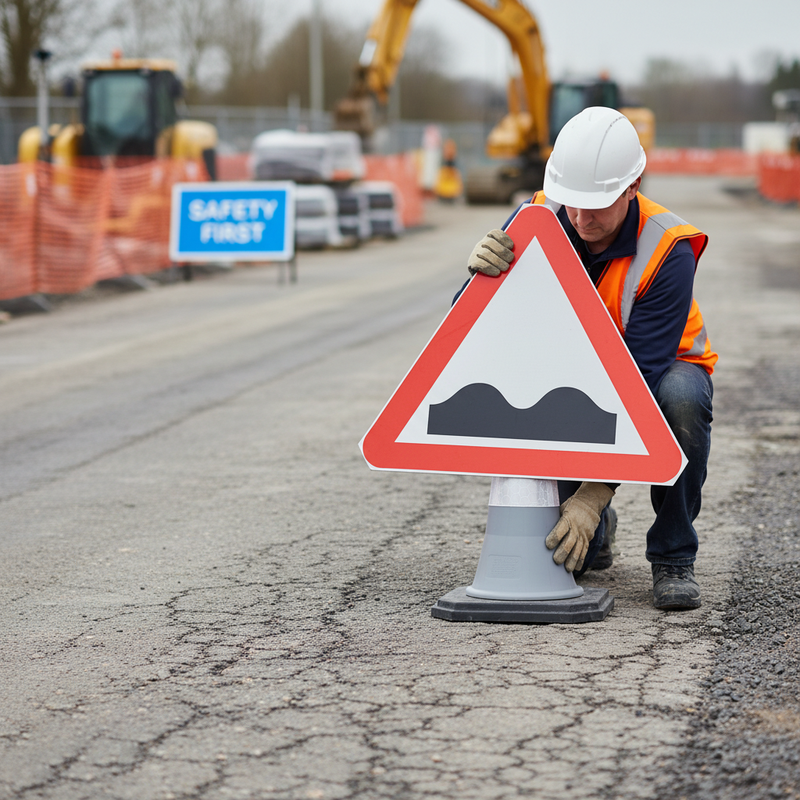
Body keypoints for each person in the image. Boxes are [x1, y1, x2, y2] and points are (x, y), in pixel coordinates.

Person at [466, 106, 717, 610]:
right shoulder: (538, 218)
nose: (579, 219)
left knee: (681, 399)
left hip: (659, 372)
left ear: (632, 187)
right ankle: (598, 533)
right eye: (571, 203)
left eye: (595, 206)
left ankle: (672, 553)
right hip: (569, 374)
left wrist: (594, 492)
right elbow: (475, 337)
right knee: (575, 552)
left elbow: (638, 384)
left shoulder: (668, 248)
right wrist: (477, 282)